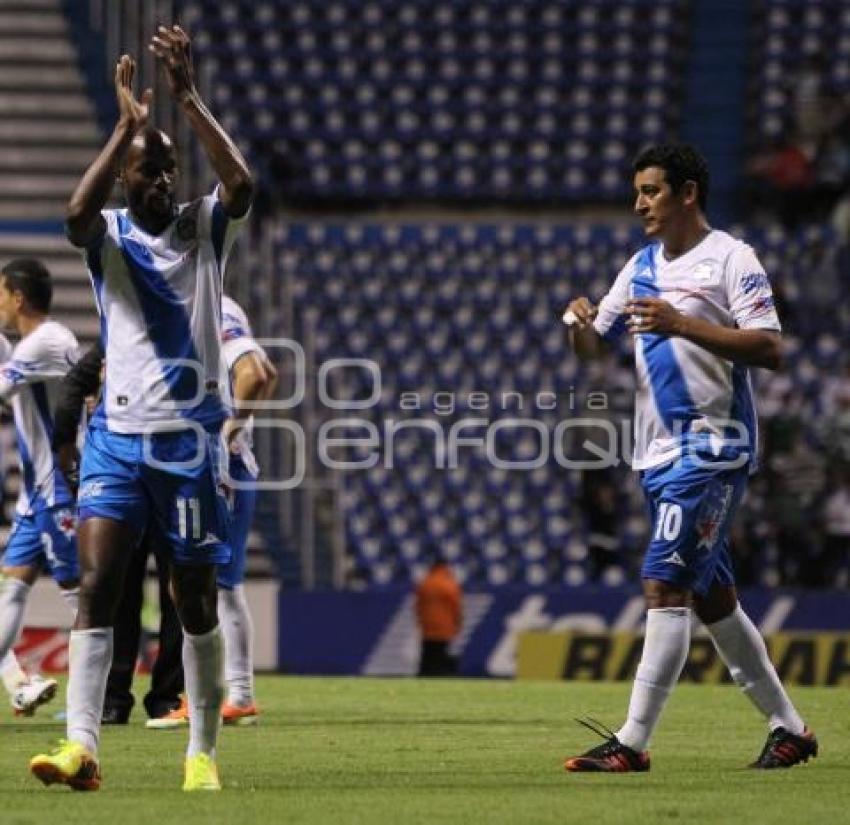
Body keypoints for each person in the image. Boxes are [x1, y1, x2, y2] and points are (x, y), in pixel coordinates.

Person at [29, 24, 253, 793]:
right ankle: (80, 746)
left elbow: (244, 186)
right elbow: (71, 214)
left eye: (165, 168)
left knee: (193, 599)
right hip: (116, 442)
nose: (159, 181)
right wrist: (123, 128)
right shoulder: (111, 240)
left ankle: (202, 751)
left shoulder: (202, 228)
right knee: (98, 585)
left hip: (189, 446)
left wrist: (187, 100)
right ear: (125, 179)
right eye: (145, 171)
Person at [562, 143, 816, 772]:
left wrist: (684, 325)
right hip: (654, 455)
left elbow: (770, 347)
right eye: (638, 191)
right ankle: (790, 729)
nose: (639, 203)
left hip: (714, 445)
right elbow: (593, 351)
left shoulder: (732, 259)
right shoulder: (641, 264)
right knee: (714, 600)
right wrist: (578, 322)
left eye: (650, 191)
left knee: (663, 583)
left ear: (687, 193)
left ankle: (632, 742)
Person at [146, 294, 277, 729]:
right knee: (212, 584)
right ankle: (231, 694)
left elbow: (256, 375)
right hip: (214, 465)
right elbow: (268, 372)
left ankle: (231, 695)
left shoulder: (209, 305)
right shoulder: (220, 304)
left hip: (220, 469)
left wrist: (226, 436)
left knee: (210, 584)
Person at [53, 340, 185, 726]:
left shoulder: (125, 339)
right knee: (163, 591)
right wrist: (66, 448)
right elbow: (74, 387)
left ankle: (119, 699)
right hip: (156, 475)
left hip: (138, 475)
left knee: (127, 591)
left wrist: (66, 451)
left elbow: (71, 390)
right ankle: (159, 698)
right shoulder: (155, 338)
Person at [0, 259, 80, 714]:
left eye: (0, 293)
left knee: (80, 597)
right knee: (12, 588)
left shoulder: (43, 343)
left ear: (17, 298)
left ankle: (101, 693)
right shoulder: (44, 342)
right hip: (36, 494)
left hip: (59, 490)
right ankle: (18, 687)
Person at [415, 558, 462, 676]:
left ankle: (424, 677)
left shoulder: (425, 583)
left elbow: (418, 606)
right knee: (441, 656)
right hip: (444, 628)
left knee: (427, 656)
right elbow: (456, 607)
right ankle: (442, 675)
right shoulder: (449, 584)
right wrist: (458, 623)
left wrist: (421, 622)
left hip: (428, 628)